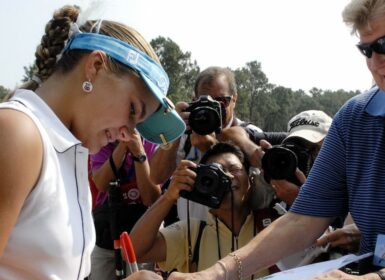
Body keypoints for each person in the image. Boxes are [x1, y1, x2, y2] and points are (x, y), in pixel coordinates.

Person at [167, 0, 385, 279]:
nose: (375, 63)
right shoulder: (355, 119)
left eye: (384, 46)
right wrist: (215, 273)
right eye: (367, 50)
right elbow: (300, 221)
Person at [0, 4, 184, 280]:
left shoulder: (65, 152)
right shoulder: (19, 133)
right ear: (95, 67)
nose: (127, 133)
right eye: (132, 111)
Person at [131, 142, 280, 278]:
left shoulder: (272, 225)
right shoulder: (192, 233)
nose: (227, 177)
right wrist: (168, 197)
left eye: (234, 169)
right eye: (217, 173)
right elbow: (135, 251)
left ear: (251, 181)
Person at [150, 66, 262, 221]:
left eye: (221, 102)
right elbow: (156, 177)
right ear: (195, 100)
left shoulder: (251, 135)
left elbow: (258, 196)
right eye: (205, 100)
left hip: (234, 236)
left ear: (234, 100)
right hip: (191, 236)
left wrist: (210, 150)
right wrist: (173, 130)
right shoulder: (184, 134)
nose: (212, 107)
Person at [89, 130, 161, 279]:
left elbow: (150, 198)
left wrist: (138, 152)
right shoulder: (102, 141)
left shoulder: (152, 142)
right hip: (106, 232)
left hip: (142, 233)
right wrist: (122, 147)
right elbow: (101, 184)